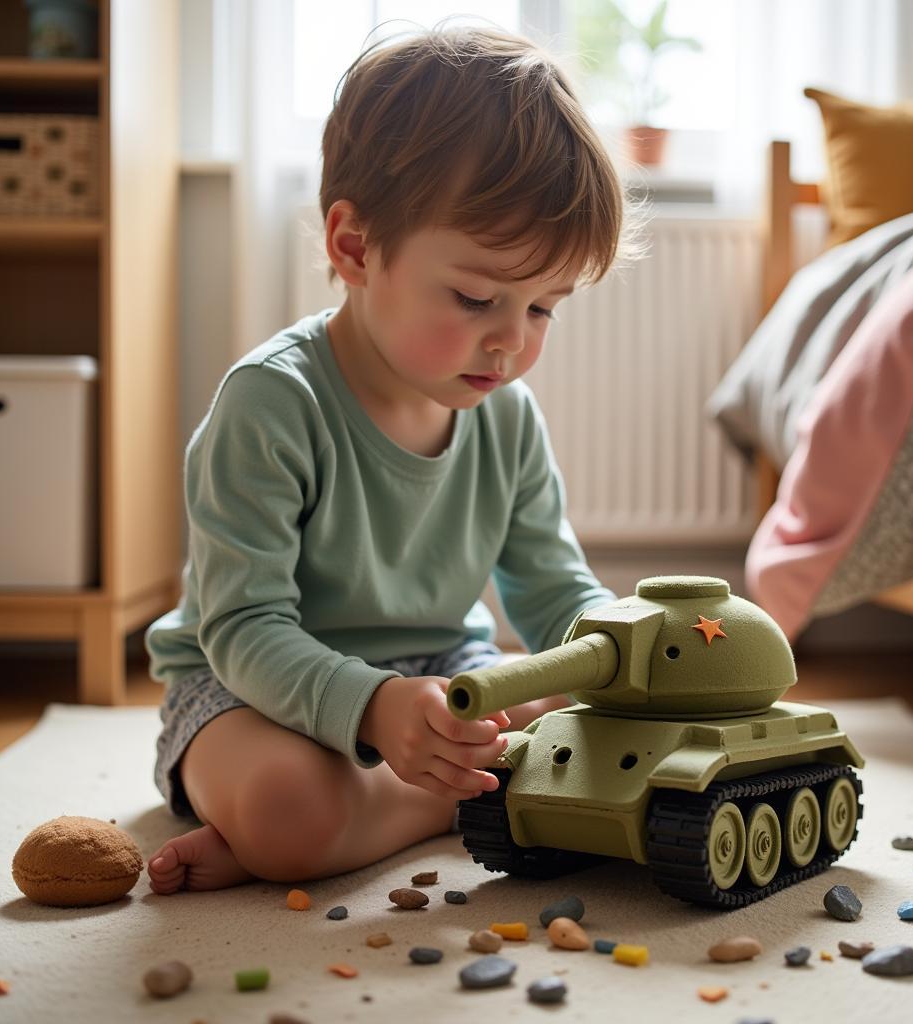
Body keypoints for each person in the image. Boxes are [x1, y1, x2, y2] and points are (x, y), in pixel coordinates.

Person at [145, 24, 640, 894]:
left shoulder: (507, 417)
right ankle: (420, 807)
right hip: (250, 691)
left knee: (579, 709)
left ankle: (362, 818)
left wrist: (628, 649)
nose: (512, 343)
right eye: (479, 297)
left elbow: (556, 593)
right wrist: (372, 707)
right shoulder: (271, 403)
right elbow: (244, 630)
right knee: (289, 802)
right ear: (354, 247)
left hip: (442, 686)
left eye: (544, 309)